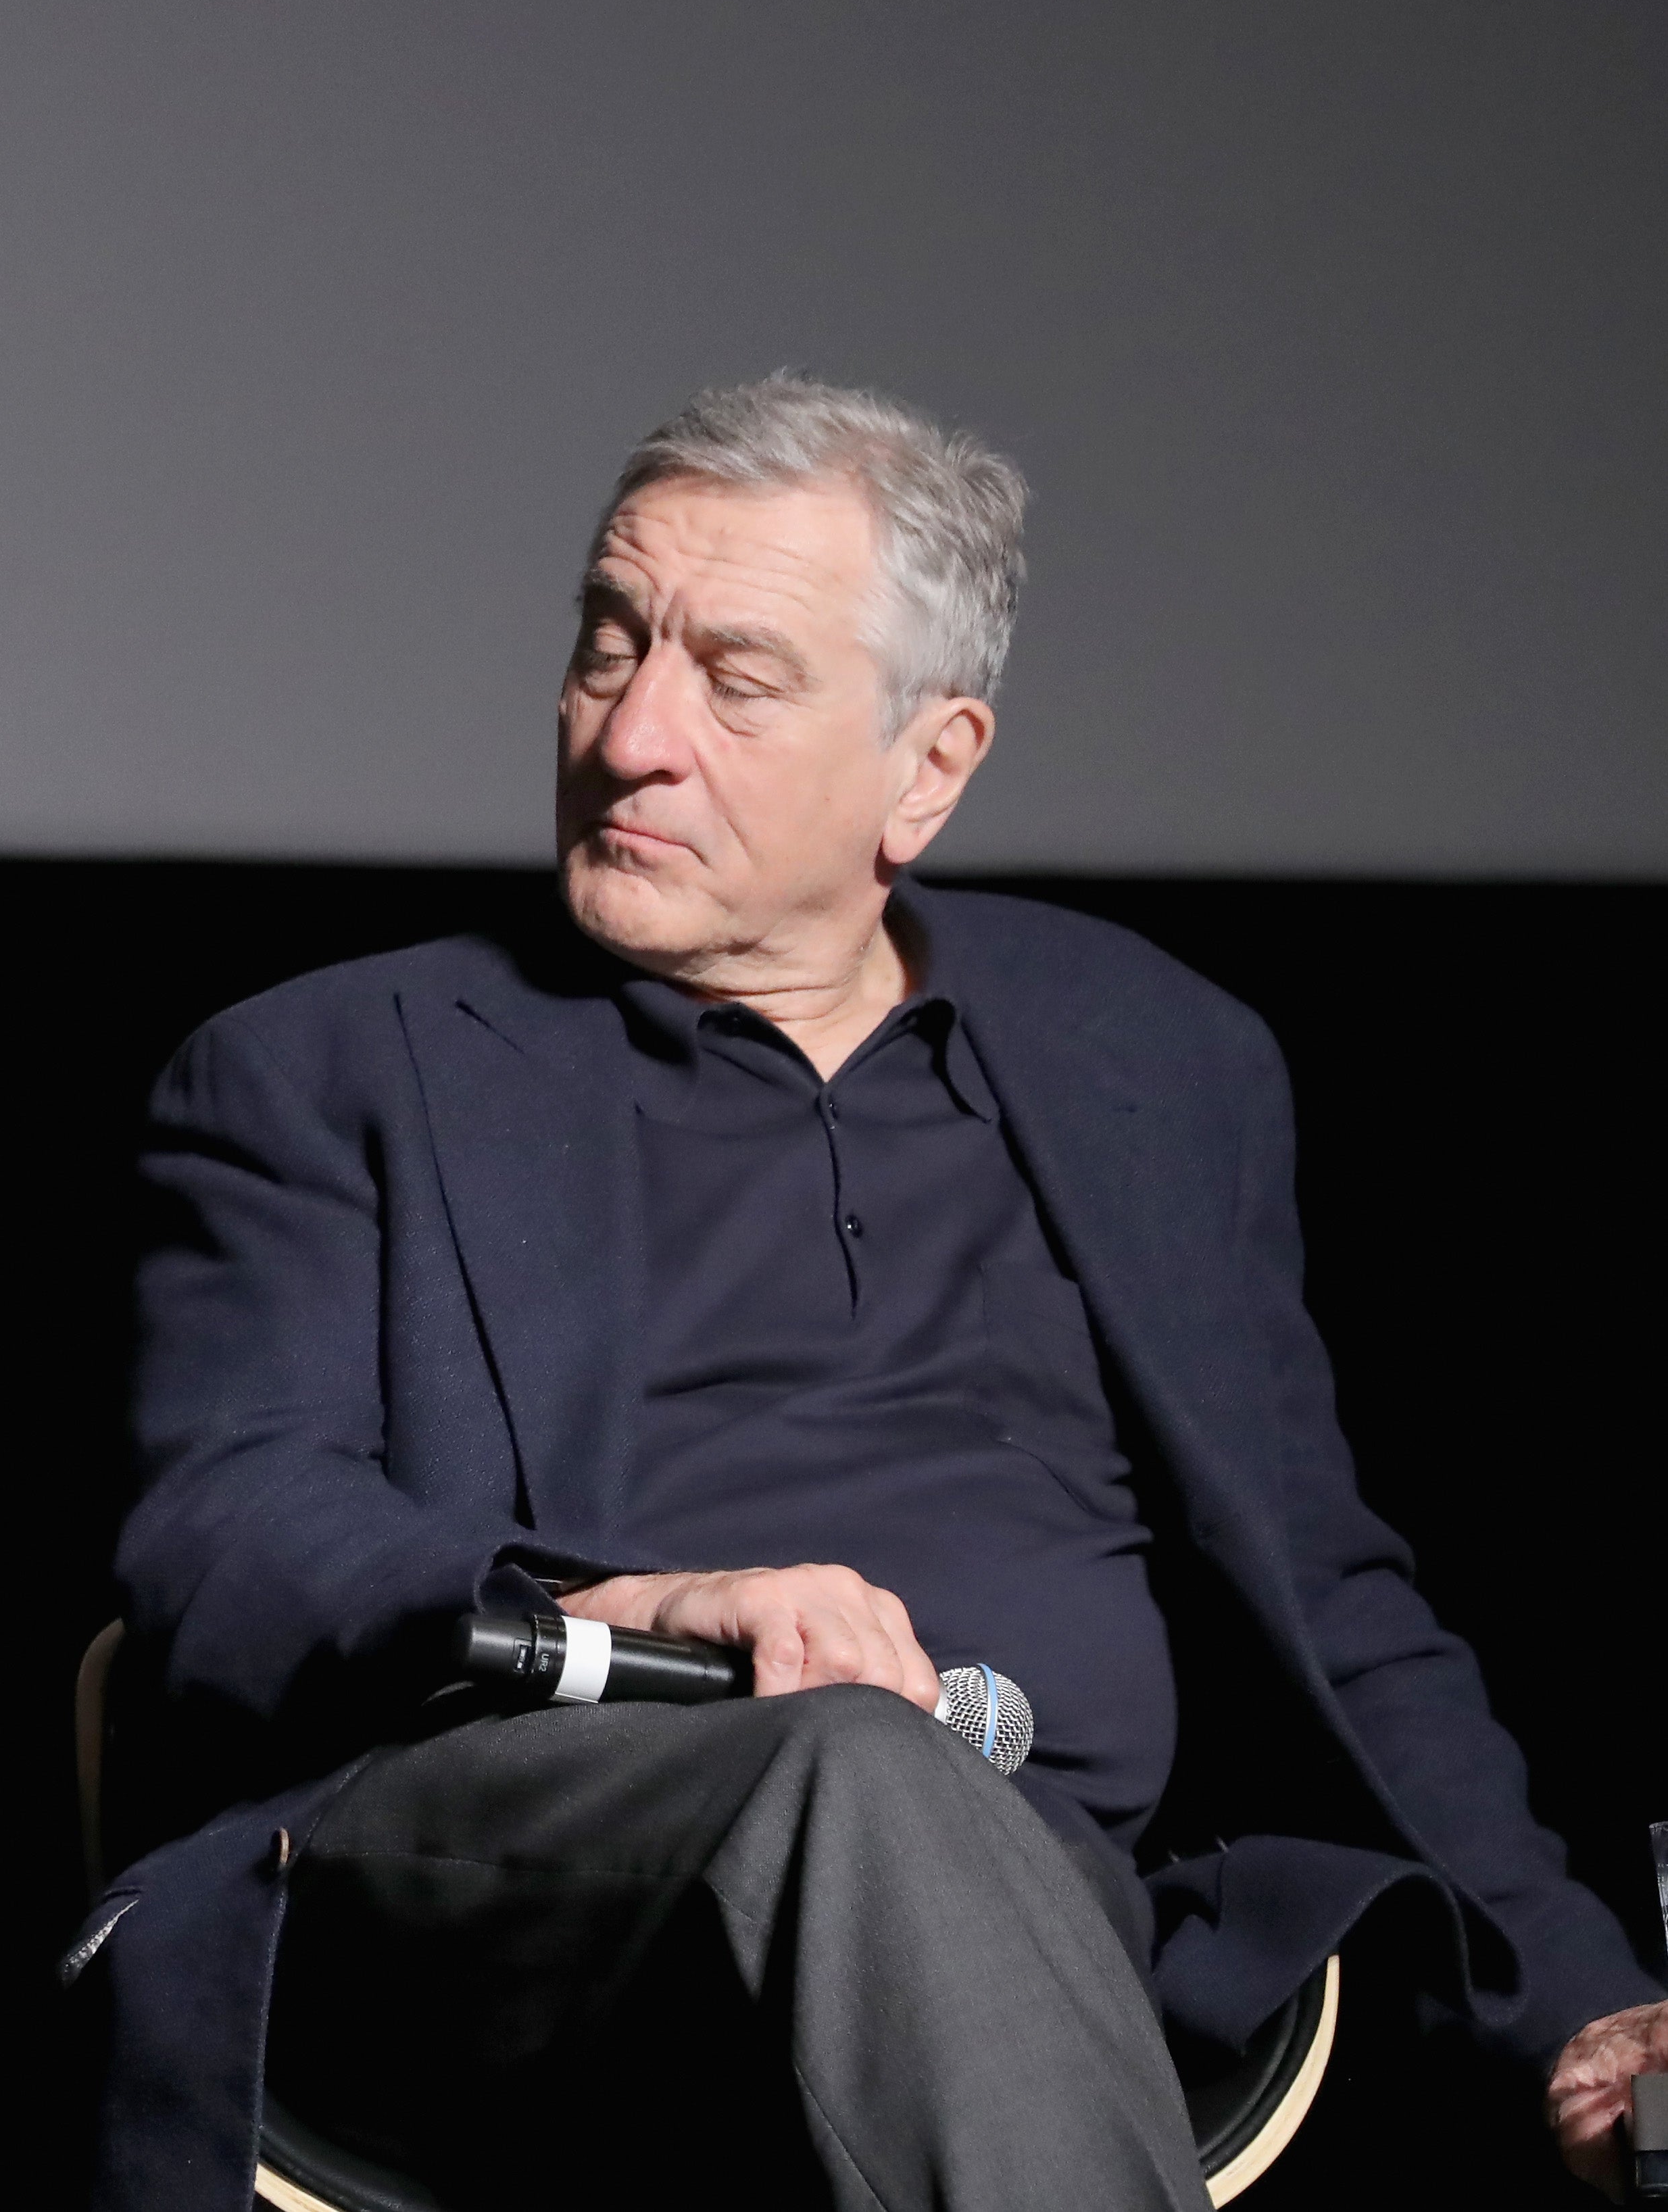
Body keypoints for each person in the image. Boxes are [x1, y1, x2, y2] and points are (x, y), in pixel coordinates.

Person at [85, 376, 1668, 2209]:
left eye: (734, 680)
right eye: (611, 646)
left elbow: (1330, 1594)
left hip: (1050, 1883)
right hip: (499, 1877)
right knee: (859, 1774)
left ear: (932, 765)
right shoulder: (326, 1064)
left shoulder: (1157, 1057)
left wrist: (1577, 1995)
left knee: (925, 1816)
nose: (632, 735)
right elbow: (222, 1534)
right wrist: (659, 1593)